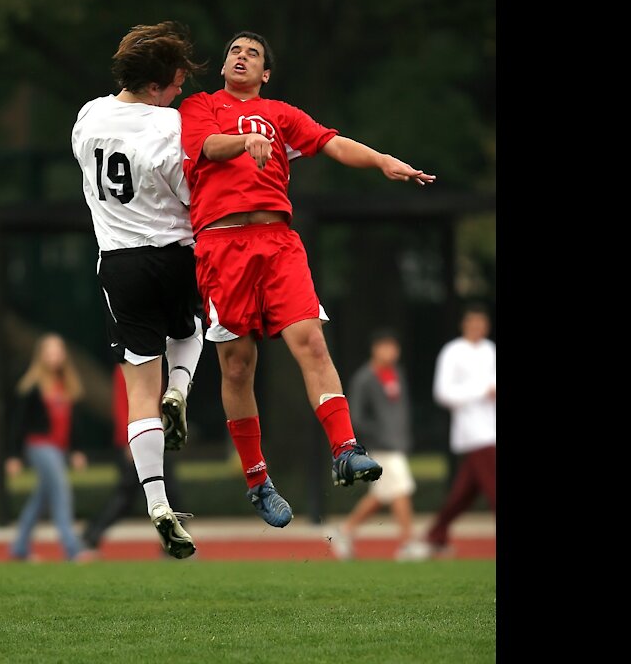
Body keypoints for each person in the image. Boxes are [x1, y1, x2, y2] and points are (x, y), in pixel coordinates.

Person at [177, 31, 437, 527]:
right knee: (236, 367)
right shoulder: (202, 105)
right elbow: (207, 146)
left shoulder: (280, 114)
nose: (241, 57)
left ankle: (345, 448)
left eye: (253, 53)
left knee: (311, 343)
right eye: (235, 50)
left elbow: (332, 143)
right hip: (221, 245)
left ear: (266, 74)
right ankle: (258, 481)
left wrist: (382, 160)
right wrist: (244, 141)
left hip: (277, 243)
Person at [71, 21, 208, 558]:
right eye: (177, 83)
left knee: (137, 394)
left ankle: (157, 502)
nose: (180, 92)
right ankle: (182, 387)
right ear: (158, 85)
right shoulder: (170, 128)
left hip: (119, 265)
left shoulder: (88, 116)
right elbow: (189, 197)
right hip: (173, 255)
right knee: (192, 329)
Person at [331, 329, 424, 561]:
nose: (391, 352)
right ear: (375, 348)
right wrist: (379, 436)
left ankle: (344, 532)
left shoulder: (397, 374)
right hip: (380, 446)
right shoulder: (365, 378)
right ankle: (407, 542)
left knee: (382, 495)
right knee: (402, 489)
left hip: (396, 443)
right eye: (386, 346)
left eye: (394, 347)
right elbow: (357, 416)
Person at [5, 333, 93, 562]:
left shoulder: (67, 385)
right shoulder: (32, 387)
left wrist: (76, 450)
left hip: (59, 448)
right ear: (41, 356)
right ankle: (73, 549)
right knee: (61, 492)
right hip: (40, 446)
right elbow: (19, 424)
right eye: (50, 352)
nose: (54, 357)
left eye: (58, 352)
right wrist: (13, 456)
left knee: (40, 499)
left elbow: (73, 424)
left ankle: (19, 548)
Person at [81, 364, 186, 555]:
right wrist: (128, 441)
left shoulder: (155, 365)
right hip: (136, 442)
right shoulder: (125, 368)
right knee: (127, 496)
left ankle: (173, 544)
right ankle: (91, 536)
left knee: (169, 493)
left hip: (155, 440)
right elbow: (122, 405)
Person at [420, 303, 497, 557]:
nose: (477, 328)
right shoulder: (452, 352)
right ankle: (434, 535)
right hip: (472, 433)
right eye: (472, 323)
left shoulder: (490, 350)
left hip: (491, 429)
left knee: (463, 494)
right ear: (465, 325)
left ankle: (435, 535)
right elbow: (442, 393)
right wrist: (481, 391)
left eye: (481, 323)